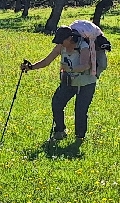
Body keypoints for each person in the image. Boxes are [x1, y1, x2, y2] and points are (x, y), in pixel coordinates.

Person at [20, 21, 107, 156]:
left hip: (86, 82)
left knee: (80, 110)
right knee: (57, 103)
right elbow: (47, 61)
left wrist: (70, 68)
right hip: (69, 82)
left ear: (70, 38)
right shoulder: (61, 46)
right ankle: (60, 131)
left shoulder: (83, 46)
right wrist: (31, 67)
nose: (60, 44)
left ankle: (79, 137)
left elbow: (86, 65)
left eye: (62, 41)